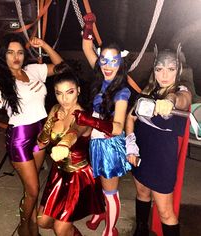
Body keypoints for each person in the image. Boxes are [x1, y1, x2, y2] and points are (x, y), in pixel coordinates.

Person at [0, 33, 63, 236]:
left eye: (19, 52)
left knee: (31, 188)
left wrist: (44, 44)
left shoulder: (33, 69)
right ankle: (25, 226)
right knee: (34, 190)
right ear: (3, 55)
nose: (16, 57)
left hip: (41, 134)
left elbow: (62, 67)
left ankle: (31, 225)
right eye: (10, 52)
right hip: (20, 139)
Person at [73, 12, 132, 236]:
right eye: (104, 60)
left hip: (109, 145)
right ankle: (100, 213)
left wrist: (88, 120)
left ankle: (110, 229)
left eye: (113, 61)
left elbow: (117, 127)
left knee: (110, 191)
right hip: (95, 140)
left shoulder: (122, 92)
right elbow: (87, 48)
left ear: (121, 63)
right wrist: (89, 27)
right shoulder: (100, 74)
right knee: (97, 182)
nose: (107, 66)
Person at [125, 45, 192, 236]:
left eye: (170, 69)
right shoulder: (148, 90)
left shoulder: (180, 89)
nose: (164, 75)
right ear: (154, 70)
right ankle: (141, 229)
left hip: (163, 160)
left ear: (178, 70)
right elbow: (131, 117)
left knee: (165, 212)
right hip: (142, 153)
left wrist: (170, 101)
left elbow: (182, 99)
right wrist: (130, 143)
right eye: (159, 69)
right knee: (142, 194)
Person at [36, 68, 105, 236]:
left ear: (78, 91)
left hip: (78, 176)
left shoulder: (83, 116)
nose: (64, 99)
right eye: (59, 93)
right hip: (58, 174)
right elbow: (42, 141)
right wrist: (51, 121)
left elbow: (75, 131)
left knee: (60, 228)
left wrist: (64, 144)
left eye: (70, 92)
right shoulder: (55, 109)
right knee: (42, 221)